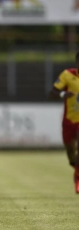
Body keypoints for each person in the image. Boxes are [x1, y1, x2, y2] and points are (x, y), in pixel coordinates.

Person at [49, 51, 79, 194]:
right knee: (71, 157)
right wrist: (63, 94)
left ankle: (77, 179)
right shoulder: (67, 75)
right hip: (68, 121)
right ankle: (77, 171)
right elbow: (51, 93)